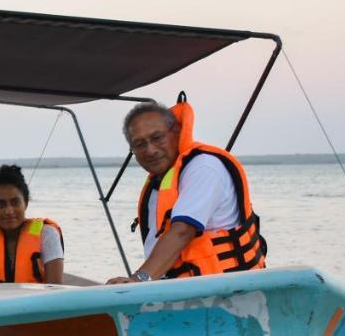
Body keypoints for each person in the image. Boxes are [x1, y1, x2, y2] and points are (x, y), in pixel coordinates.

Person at [107, 93, 266, 284]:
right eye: (139, 144)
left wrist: (138, 280)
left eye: (157, 138)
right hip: (182, 292)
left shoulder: (204, 167)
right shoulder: (160, 182)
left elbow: (182, 231)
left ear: (177, 131)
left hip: (227, 293)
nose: (150, 150)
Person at [0, 164, 65, 284]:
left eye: (15, 202)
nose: (9, 211)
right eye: (1, 204)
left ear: (26, 203)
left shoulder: (48, 235)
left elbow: (54, 291)